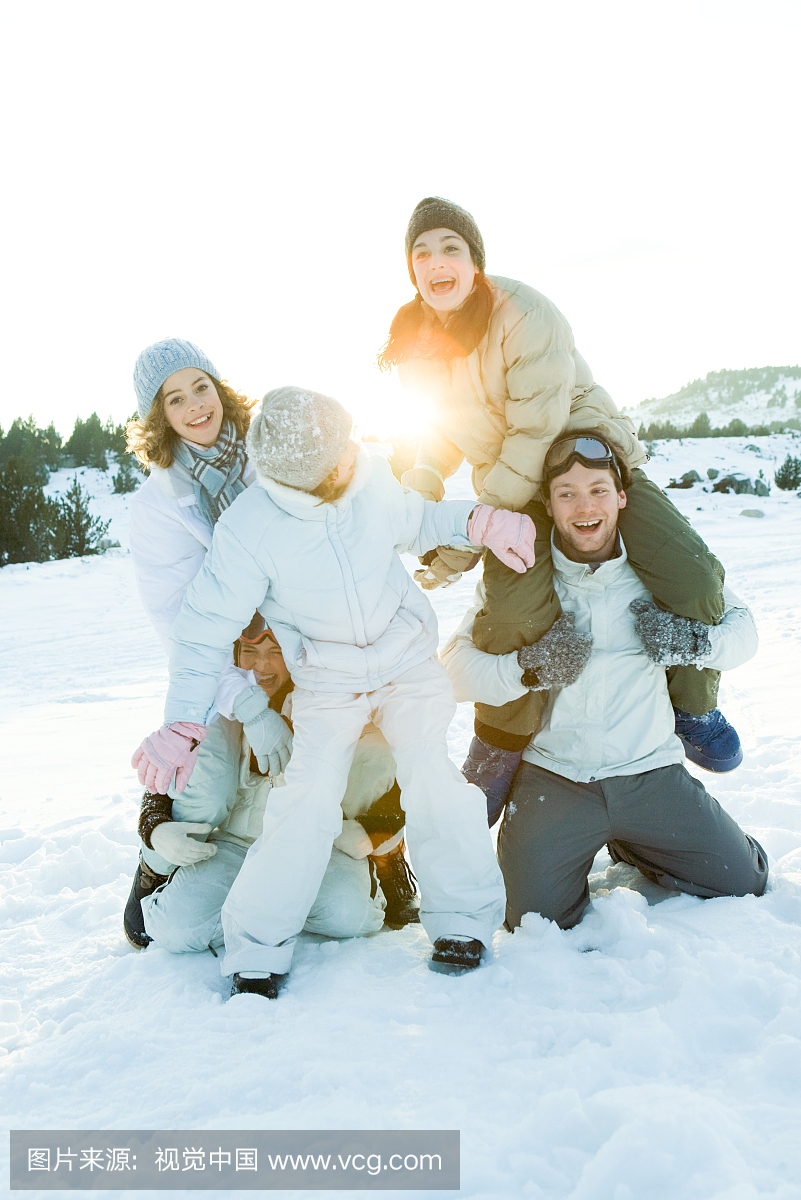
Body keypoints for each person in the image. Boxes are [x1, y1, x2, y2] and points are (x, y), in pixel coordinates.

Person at [133, 385, 532, 997]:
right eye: (340, 457)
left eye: (347, 442)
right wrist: (183, 721)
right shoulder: (252, 528)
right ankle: (257, 950)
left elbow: (416, 518)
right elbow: (202, 627)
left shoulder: (365, 475)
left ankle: (462, 924)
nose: (353, 456)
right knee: (305, 800)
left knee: (433, 778)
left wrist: (478, 520)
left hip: (405, 662)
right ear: (307, 480)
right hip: (327, 681)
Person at [380, 196, 742, 794]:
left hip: (584, 454)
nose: (437, 261)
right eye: (423, 252)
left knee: (694, 576)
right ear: (411, 269)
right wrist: (416, 498)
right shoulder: (413, 343)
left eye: (452, 248)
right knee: (512, 612)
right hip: (509, 479)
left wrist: (469, 537)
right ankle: (501, 741)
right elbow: (438, 432)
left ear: (475, 262)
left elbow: (536, 431)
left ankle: (693, 706)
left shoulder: (523, 313)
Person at [123, 340, 418, 947]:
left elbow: (344, 510)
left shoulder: (273, 450)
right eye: (174, 399)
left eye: (200, 387)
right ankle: (159, 861)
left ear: (219, 387)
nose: (195, 406)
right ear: (160, 416)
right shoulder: (159, 506)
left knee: (363, 735)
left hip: (313, 633)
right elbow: (180, 622)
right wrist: (248, 703)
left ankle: (383, 853)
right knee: (205, 753)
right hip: (236, 659)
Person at [441, 431, 768, 930]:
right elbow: (453, 670)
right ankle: (594, 838)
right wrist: (529, 669)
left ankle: (636, 839)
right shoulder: (525, 580)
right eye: (567, 493)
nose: (583, 506)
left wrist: (690, 643)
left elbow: (744, 633)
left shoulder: (659, 576)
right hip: (556, 778)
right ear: (549, 504)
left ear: (620, 497)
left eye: (597, 489)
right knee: (529, 918)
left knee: (743, 880)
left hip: (650, 772)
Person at [139, 617, 418, 955]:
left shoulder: (328, 697)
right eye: (251, 651)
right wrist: (155, 830)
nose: (262, 665)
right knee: (177, 930)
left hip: (315, 841)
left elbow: (398, 775)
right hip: (231, 843)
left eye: (276, 651)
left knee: (352, 918)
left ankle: (386, 866)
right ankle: (153, 875)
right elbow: (173, 766)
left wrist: (371, 832)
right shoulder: (215, 696)